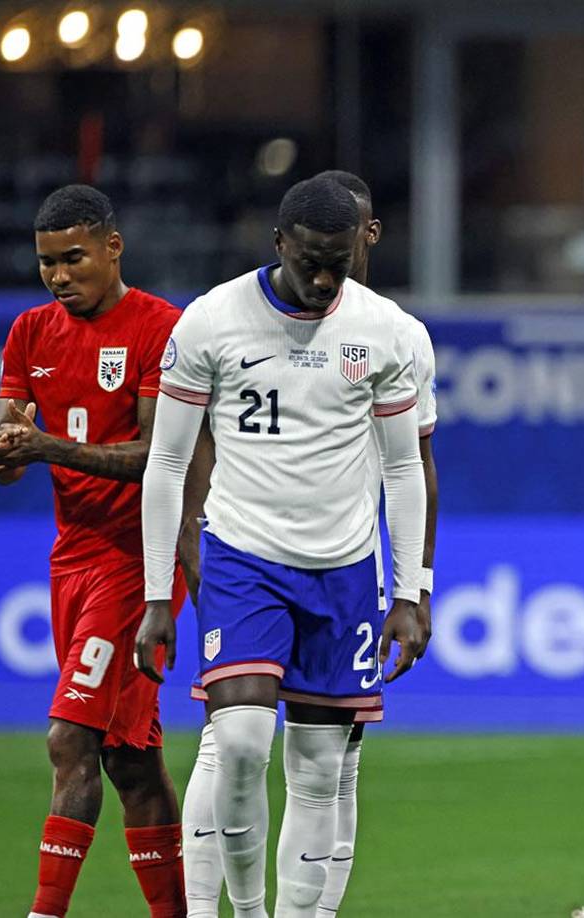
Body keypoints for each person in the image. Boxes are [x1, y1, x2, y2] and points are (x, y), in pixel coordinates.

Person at [135, 175, 427, 918]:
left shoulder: (385, 330)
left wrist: (409, 592)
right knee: (235, 745)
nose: (325, 279)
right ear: (279, 245)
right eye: (311, 262)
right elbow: (166, 463)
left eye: (339, 260)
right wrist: (158, 595)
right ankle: (247, 909)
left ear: (360, 244)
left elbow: (402, 466)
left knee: (321, 766)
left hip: (343, 569)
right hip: (243, 559)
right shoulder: (211, 321)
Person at [0, 185, 188, 918]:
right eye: (46, 264)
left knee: (69, 736)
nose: (60, 276)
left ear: (112, 248)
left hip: (140, 556)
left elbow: (159, 456)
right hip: (73, 558)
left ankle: (43, 914)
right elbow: (13, 438)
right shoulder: (31, 332)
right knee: (129, 757)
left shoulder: (161, 327)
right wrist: (4, 455)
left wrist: (49, 446)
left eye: (73, 258)